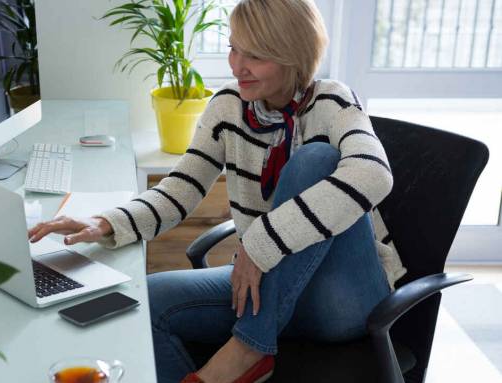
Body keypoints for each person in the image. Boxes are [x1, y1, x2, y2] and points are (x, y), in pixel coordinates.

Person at [28, 0, 408, 382]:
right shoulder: (228, 106)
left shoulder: (333, 101)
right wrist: (107, 222)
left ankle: (249, 348)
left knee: (315, 160)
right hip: (265, 288)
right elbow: (181, 188)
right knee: (146, 303)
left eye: (254, 55)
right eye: (233, 48)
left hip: (339, 299)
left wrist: (259, 243)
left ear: (293, 55)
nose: (237, 66)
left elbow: (373, 175)